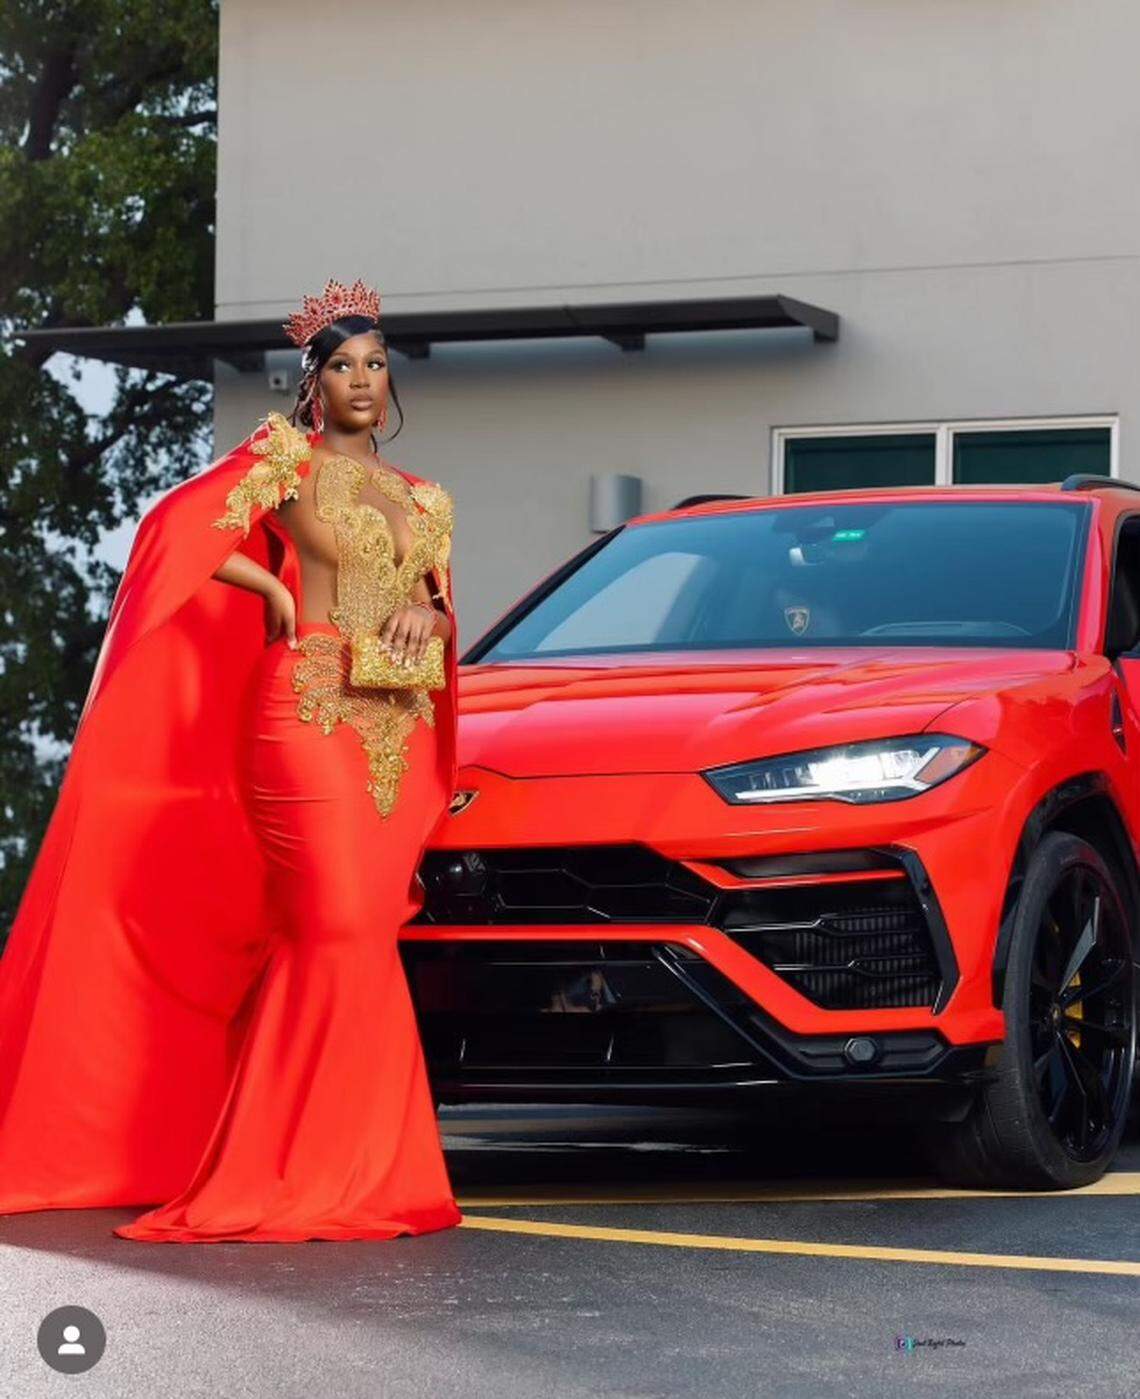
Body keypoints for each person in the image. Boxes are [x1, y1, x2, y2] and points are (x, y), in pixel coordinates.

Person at [0, 278, 464, 1243]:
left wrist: (433, 610)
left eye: (376, 363)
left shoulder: (427, 498)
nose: (363, 381)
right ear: (314, 382)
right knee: (328, 922)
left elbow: (429, 600)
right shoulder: (285, 462)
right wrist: (276, 594)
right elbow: (174, 533)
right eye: (342, 366)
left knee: (364, 935)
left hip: (394, 731)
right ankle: (272, 1171)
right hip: (300, 713)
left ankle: (366, 1173)